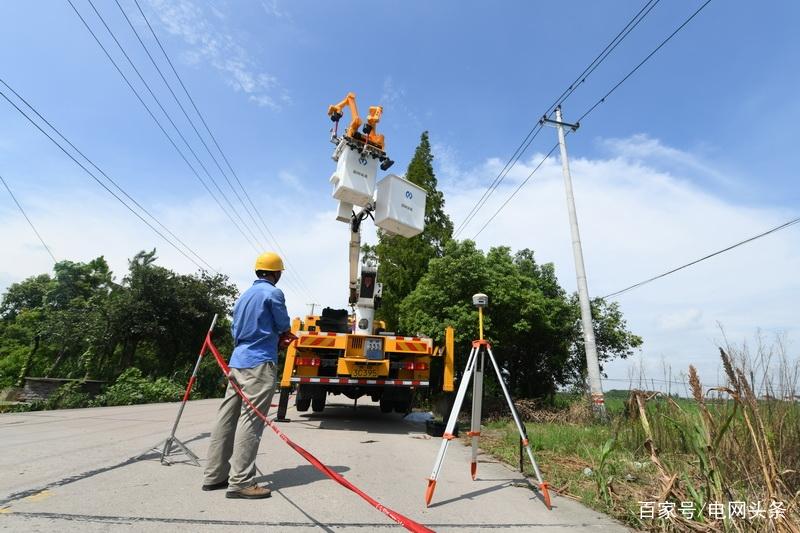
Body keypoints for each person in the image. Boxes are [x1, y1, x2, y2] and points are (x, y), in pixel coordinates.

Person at [202, 252, 293, 499]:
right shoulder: (273, 294)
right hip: (260, 363)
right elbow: (283, 323)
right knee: (251, 420)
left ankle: (214, 475)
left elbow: (236, 329)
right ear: (276, 273)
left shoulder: (243, 297)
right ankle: (241, 481)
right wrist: (283, 335)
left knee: (227, 417)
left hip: (237, 361)